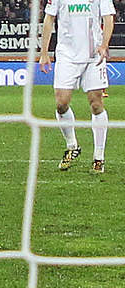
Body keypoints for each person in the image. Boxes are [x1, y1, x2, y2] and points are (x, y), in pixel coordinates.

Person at [38, 0, 114, 174]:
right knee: (61, 103)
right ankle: (72, 146)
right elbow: (49, 19)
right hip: (66, 54)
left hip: (93, 55)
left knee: (96, 104)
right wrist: (44, 53)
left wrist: (104, 45)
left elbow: (108, 18)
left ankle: (98, 157)